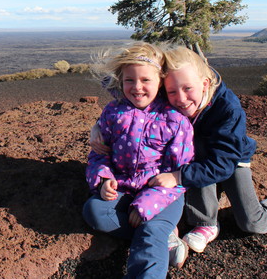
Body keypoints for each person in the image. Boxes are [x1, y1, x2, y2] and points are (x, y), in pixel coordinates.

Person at [91, 45, 267, 257]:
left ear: (205, 84)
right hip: (195, 155)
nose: (180, 99)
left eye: (188, 89)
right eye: (171, 91)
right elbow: (131, 90)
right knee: (195, 154)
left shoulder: (227, 108)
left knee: (252, 223)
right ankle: (205, 223)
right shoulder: (169, 89)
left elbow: (223, 164)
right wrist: (98, 127)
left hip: (230, 159)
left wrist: (177, 176)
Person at [82, 42, 194, 278]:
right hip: (124, 188)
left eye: (146, 80)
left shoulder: (174, 120)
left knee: (151, 231)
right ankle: (165, 238)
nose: (137, 87)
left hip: (163, 195)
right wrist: (103, 180)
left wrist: (147, 205)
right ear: (121, 82)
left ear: (160, 81)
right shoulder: (113, 112)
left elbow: (179, 172)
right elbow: (99, 154)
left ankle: (156, 237)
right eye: (130, 80)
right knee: (94, 211)